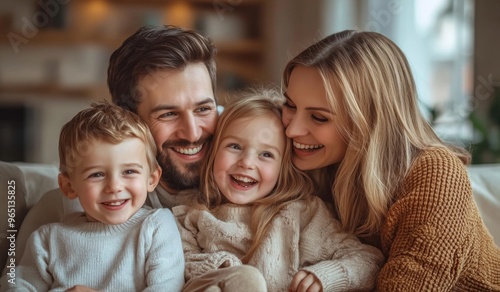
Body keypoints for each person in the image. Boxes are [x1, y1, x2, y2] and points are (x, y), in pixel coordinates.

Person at [281, 29, 500, 290]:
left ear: (371, 122)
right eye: (290, 105)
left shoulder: (436, 173)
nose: (291, 129)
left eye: (319, 117)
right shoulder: (317, 160)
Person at [10, 24, 219, 267]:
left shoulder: (248, 173)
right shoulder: (66, 206)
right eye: (168, 114)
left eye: (204, 109)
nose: (193, 133)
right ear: (128, 118)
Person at [173, 89, 384, 292]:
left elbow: (368, 260)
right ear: (213, 152)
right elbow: (181, 266)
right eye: (235, 146)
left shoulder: (302, 215)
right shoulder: (190, 214)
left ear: (283, 168)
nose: (246, 162)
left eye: (266, 154)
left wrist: (325, 276)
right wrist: (229, 271)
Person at [1, 102, 184, 291]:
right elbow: (16, 285)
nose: (114, 186)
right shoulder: (48, 239)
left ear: (152, 179)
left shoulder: (156, 227)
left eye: (129, 171)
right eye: (96, 174)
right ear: (69, 186)